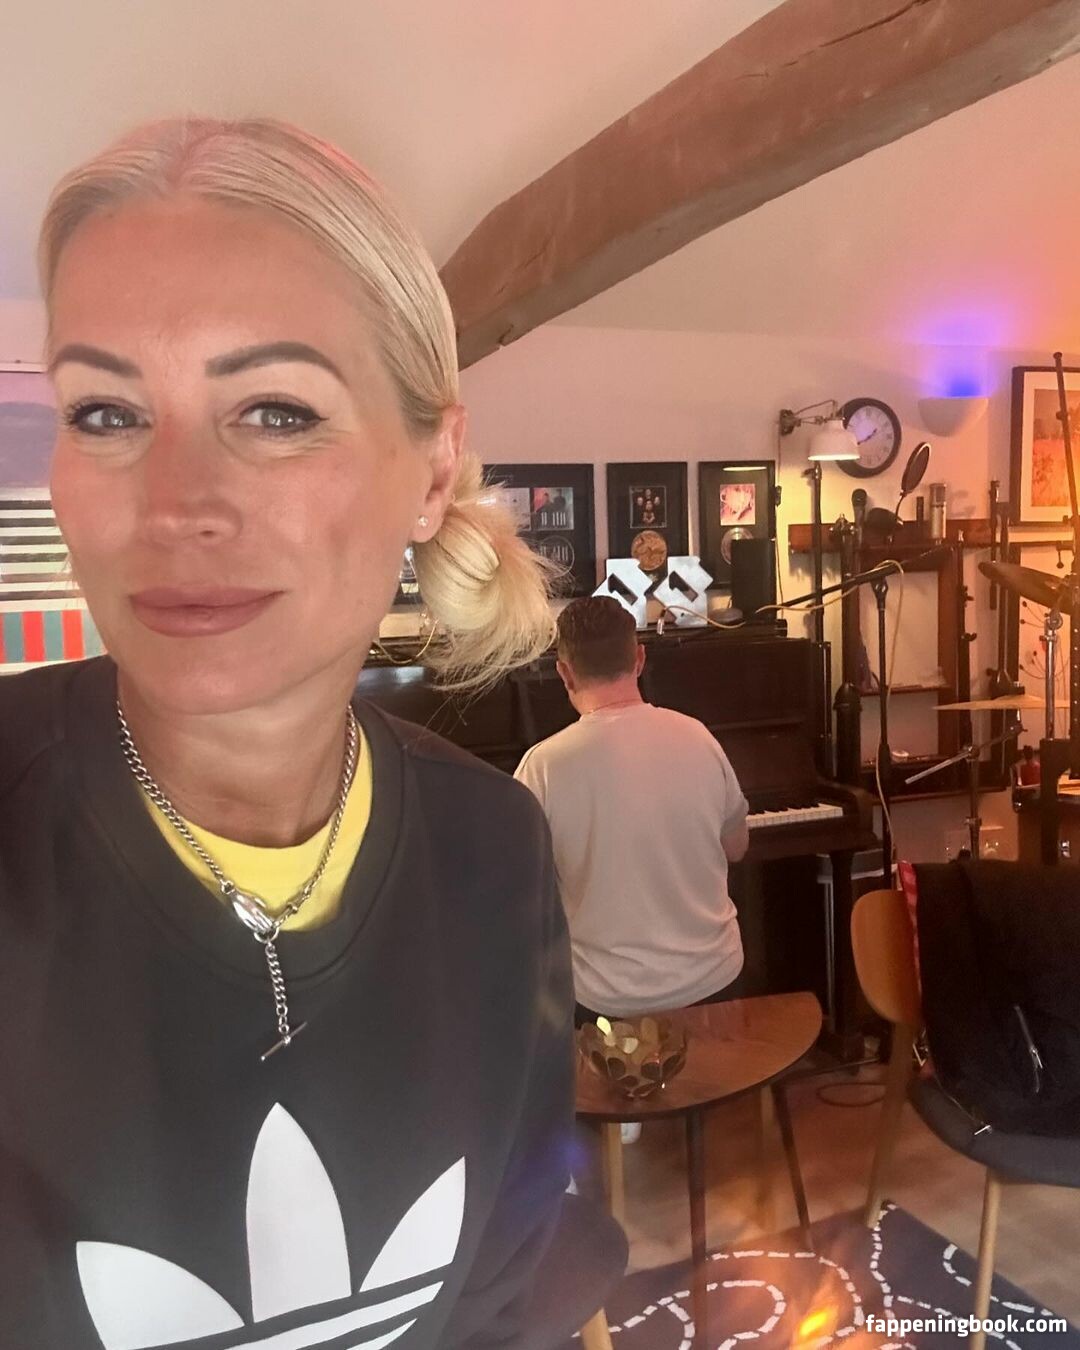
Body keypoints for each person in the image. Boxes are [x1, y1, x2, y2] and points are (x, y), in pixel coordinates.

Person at [0, 117, 574, 1349]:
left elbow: (501, 1294)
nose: (175, 507)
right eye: (106, 413)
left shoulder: (492, 848)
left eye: (272, 411)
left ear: (434, 471)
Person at [515, 597, 749, 1025]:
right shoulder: (699, 737)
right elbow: (737, 847)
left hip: (608, 1000)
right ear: (639, 659)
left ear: (564, 672)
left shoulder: (541, 766)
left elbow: (522, 887)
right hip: (715, 980)